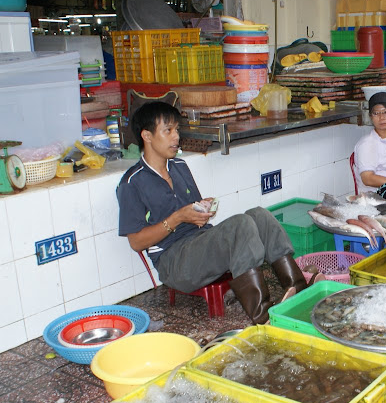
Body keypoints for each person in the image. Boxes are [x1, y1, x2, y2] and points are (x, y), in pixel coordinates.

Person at [117, 101, 312, 325]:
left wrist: (201, 209)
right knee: (240, 224)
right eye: (168, 130)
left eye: (177, 130)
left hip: (200, 242)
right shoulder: (132, 182)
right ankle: (263, 316)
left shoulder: (179, 166)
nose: (176, 137)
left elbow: (192, 213)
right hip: (174, 262)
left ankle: (298, 287)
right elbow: (136, 242)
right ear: (147, 136)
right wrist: (178, 217)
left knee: (258, 215)